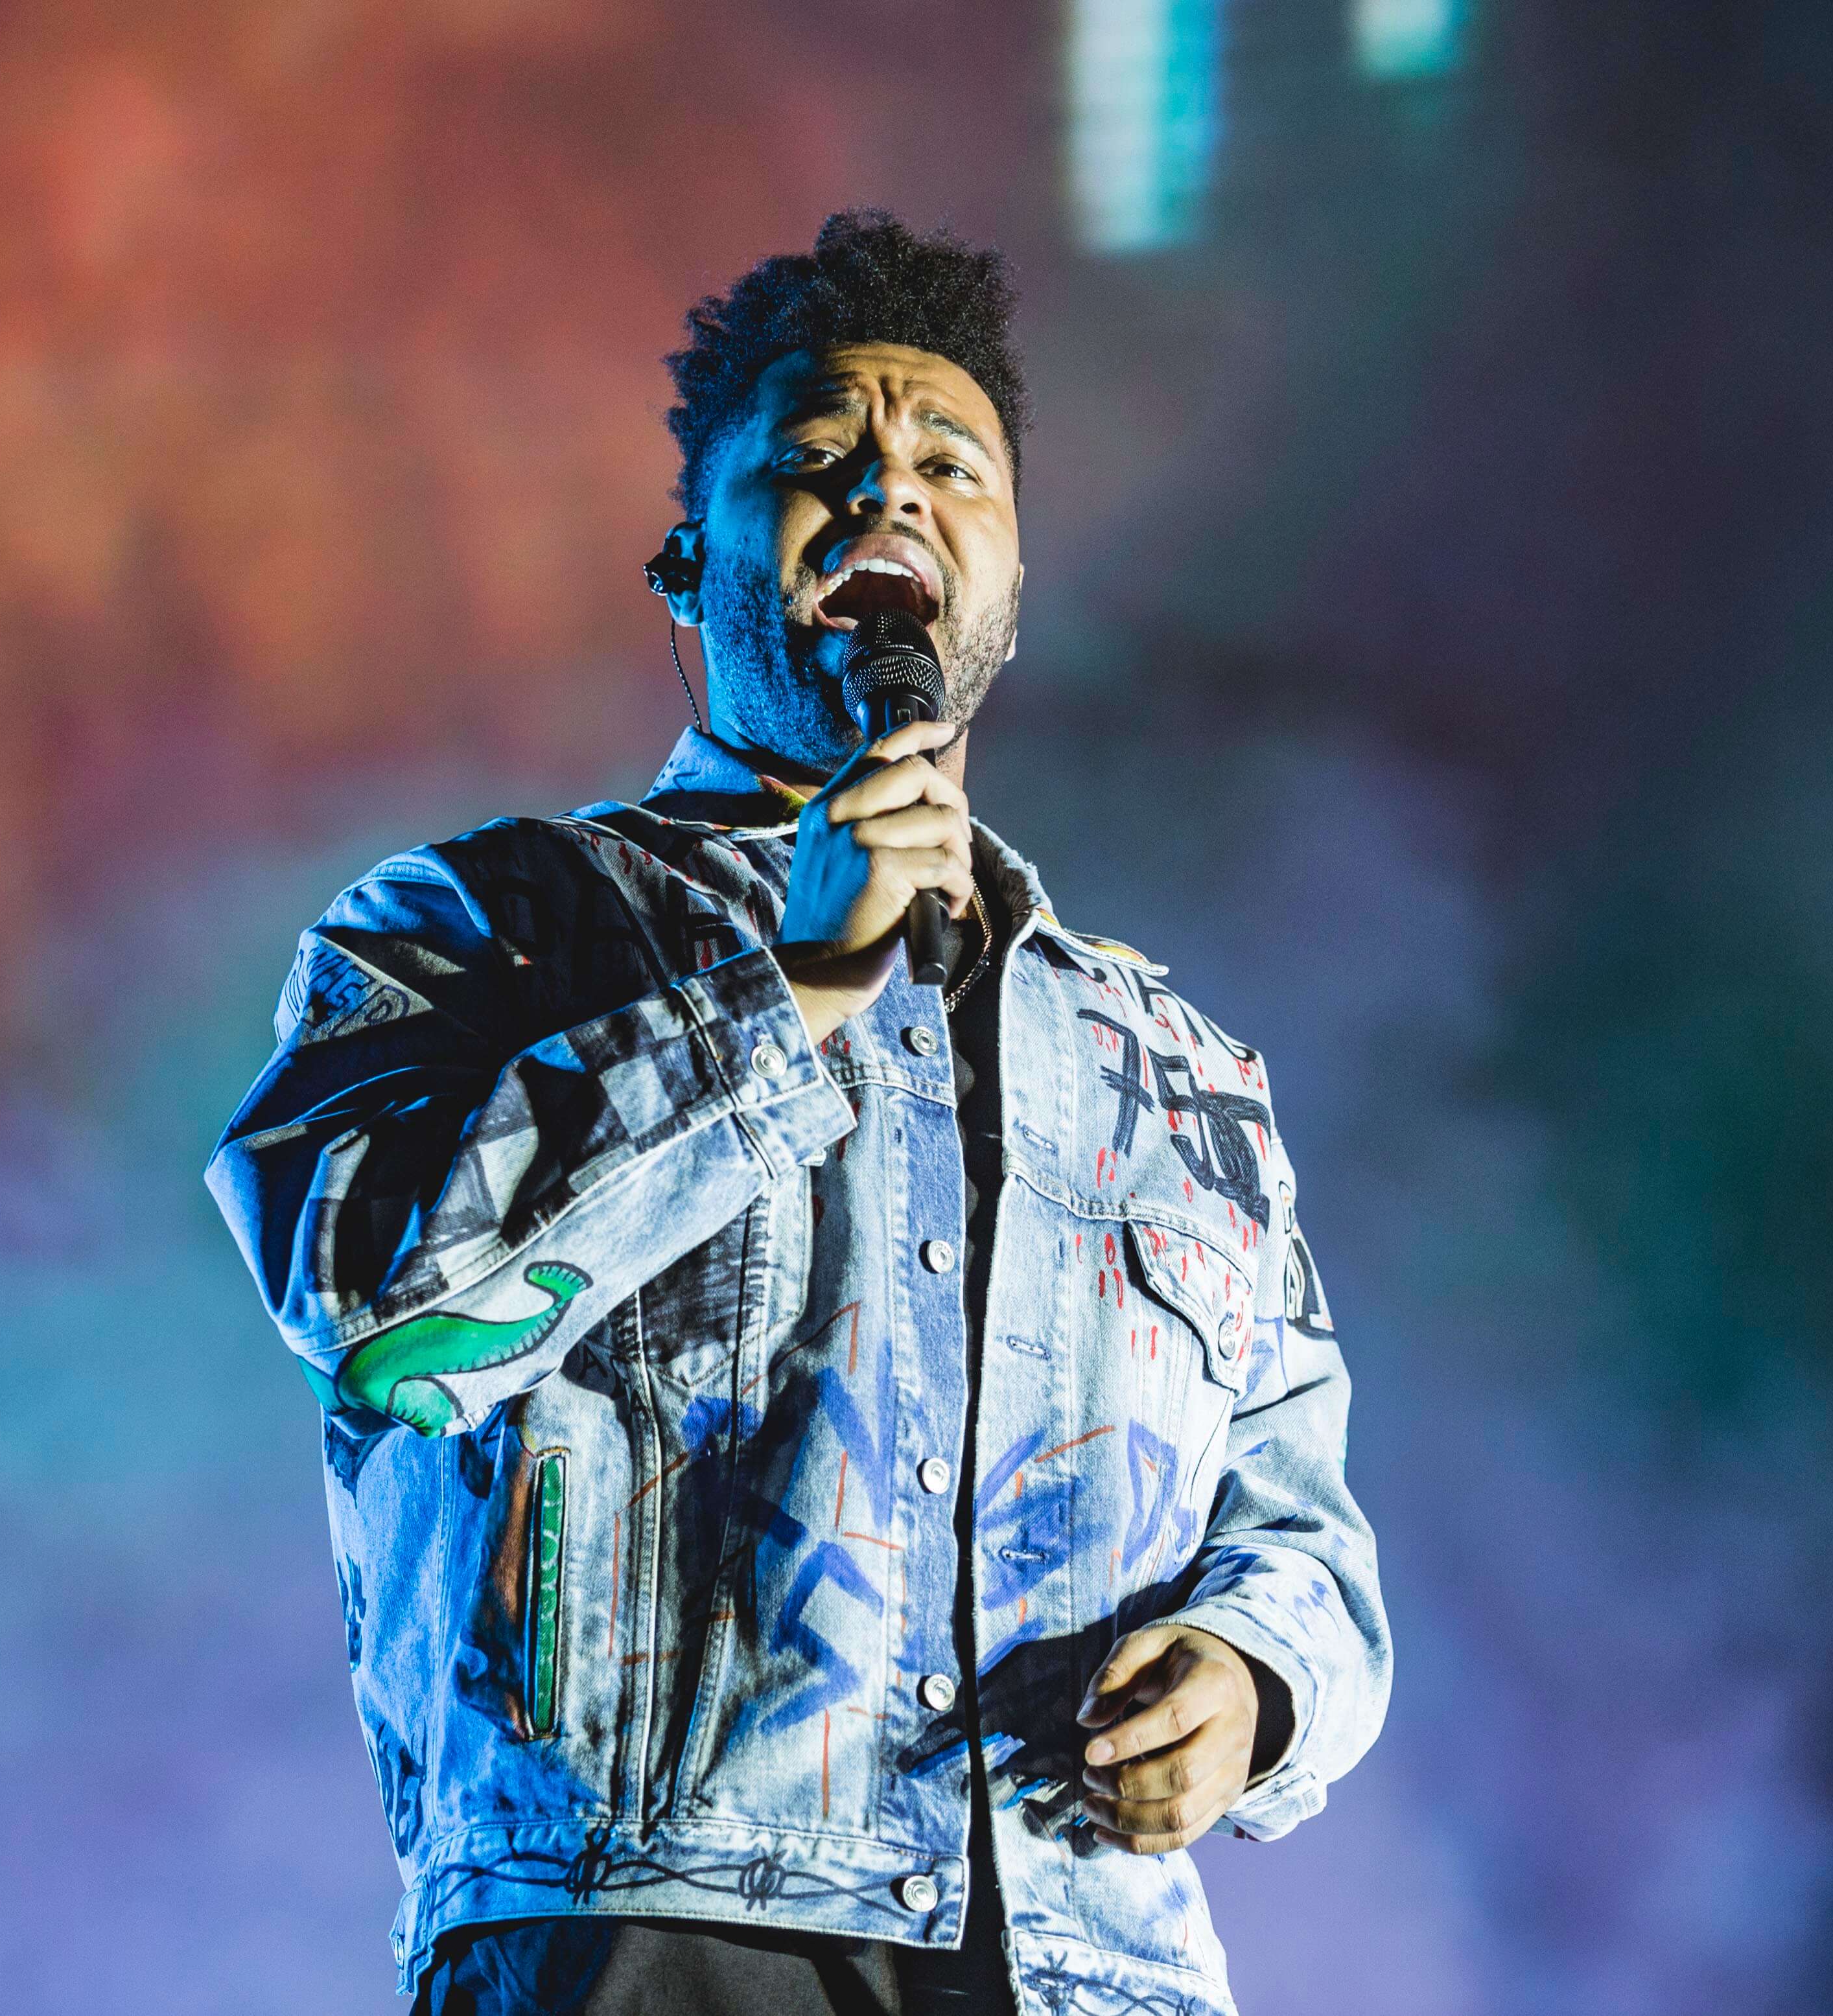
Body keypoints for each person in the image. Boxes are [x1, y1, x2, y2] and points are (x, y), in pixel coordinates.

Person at [207, 211, 1388, 2016]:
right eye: (815, 463)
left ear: (1007, 573)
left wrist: (1254, 1676)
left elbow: (1295, 1513)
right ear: (687, 563)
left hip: (1092, 1965)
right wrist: (791, 995)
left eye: (947, 467)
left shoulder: (1176, 1063)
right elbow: (382, 1329)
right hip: (652, 1938)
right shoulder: (481, 924)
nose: (886, 497)